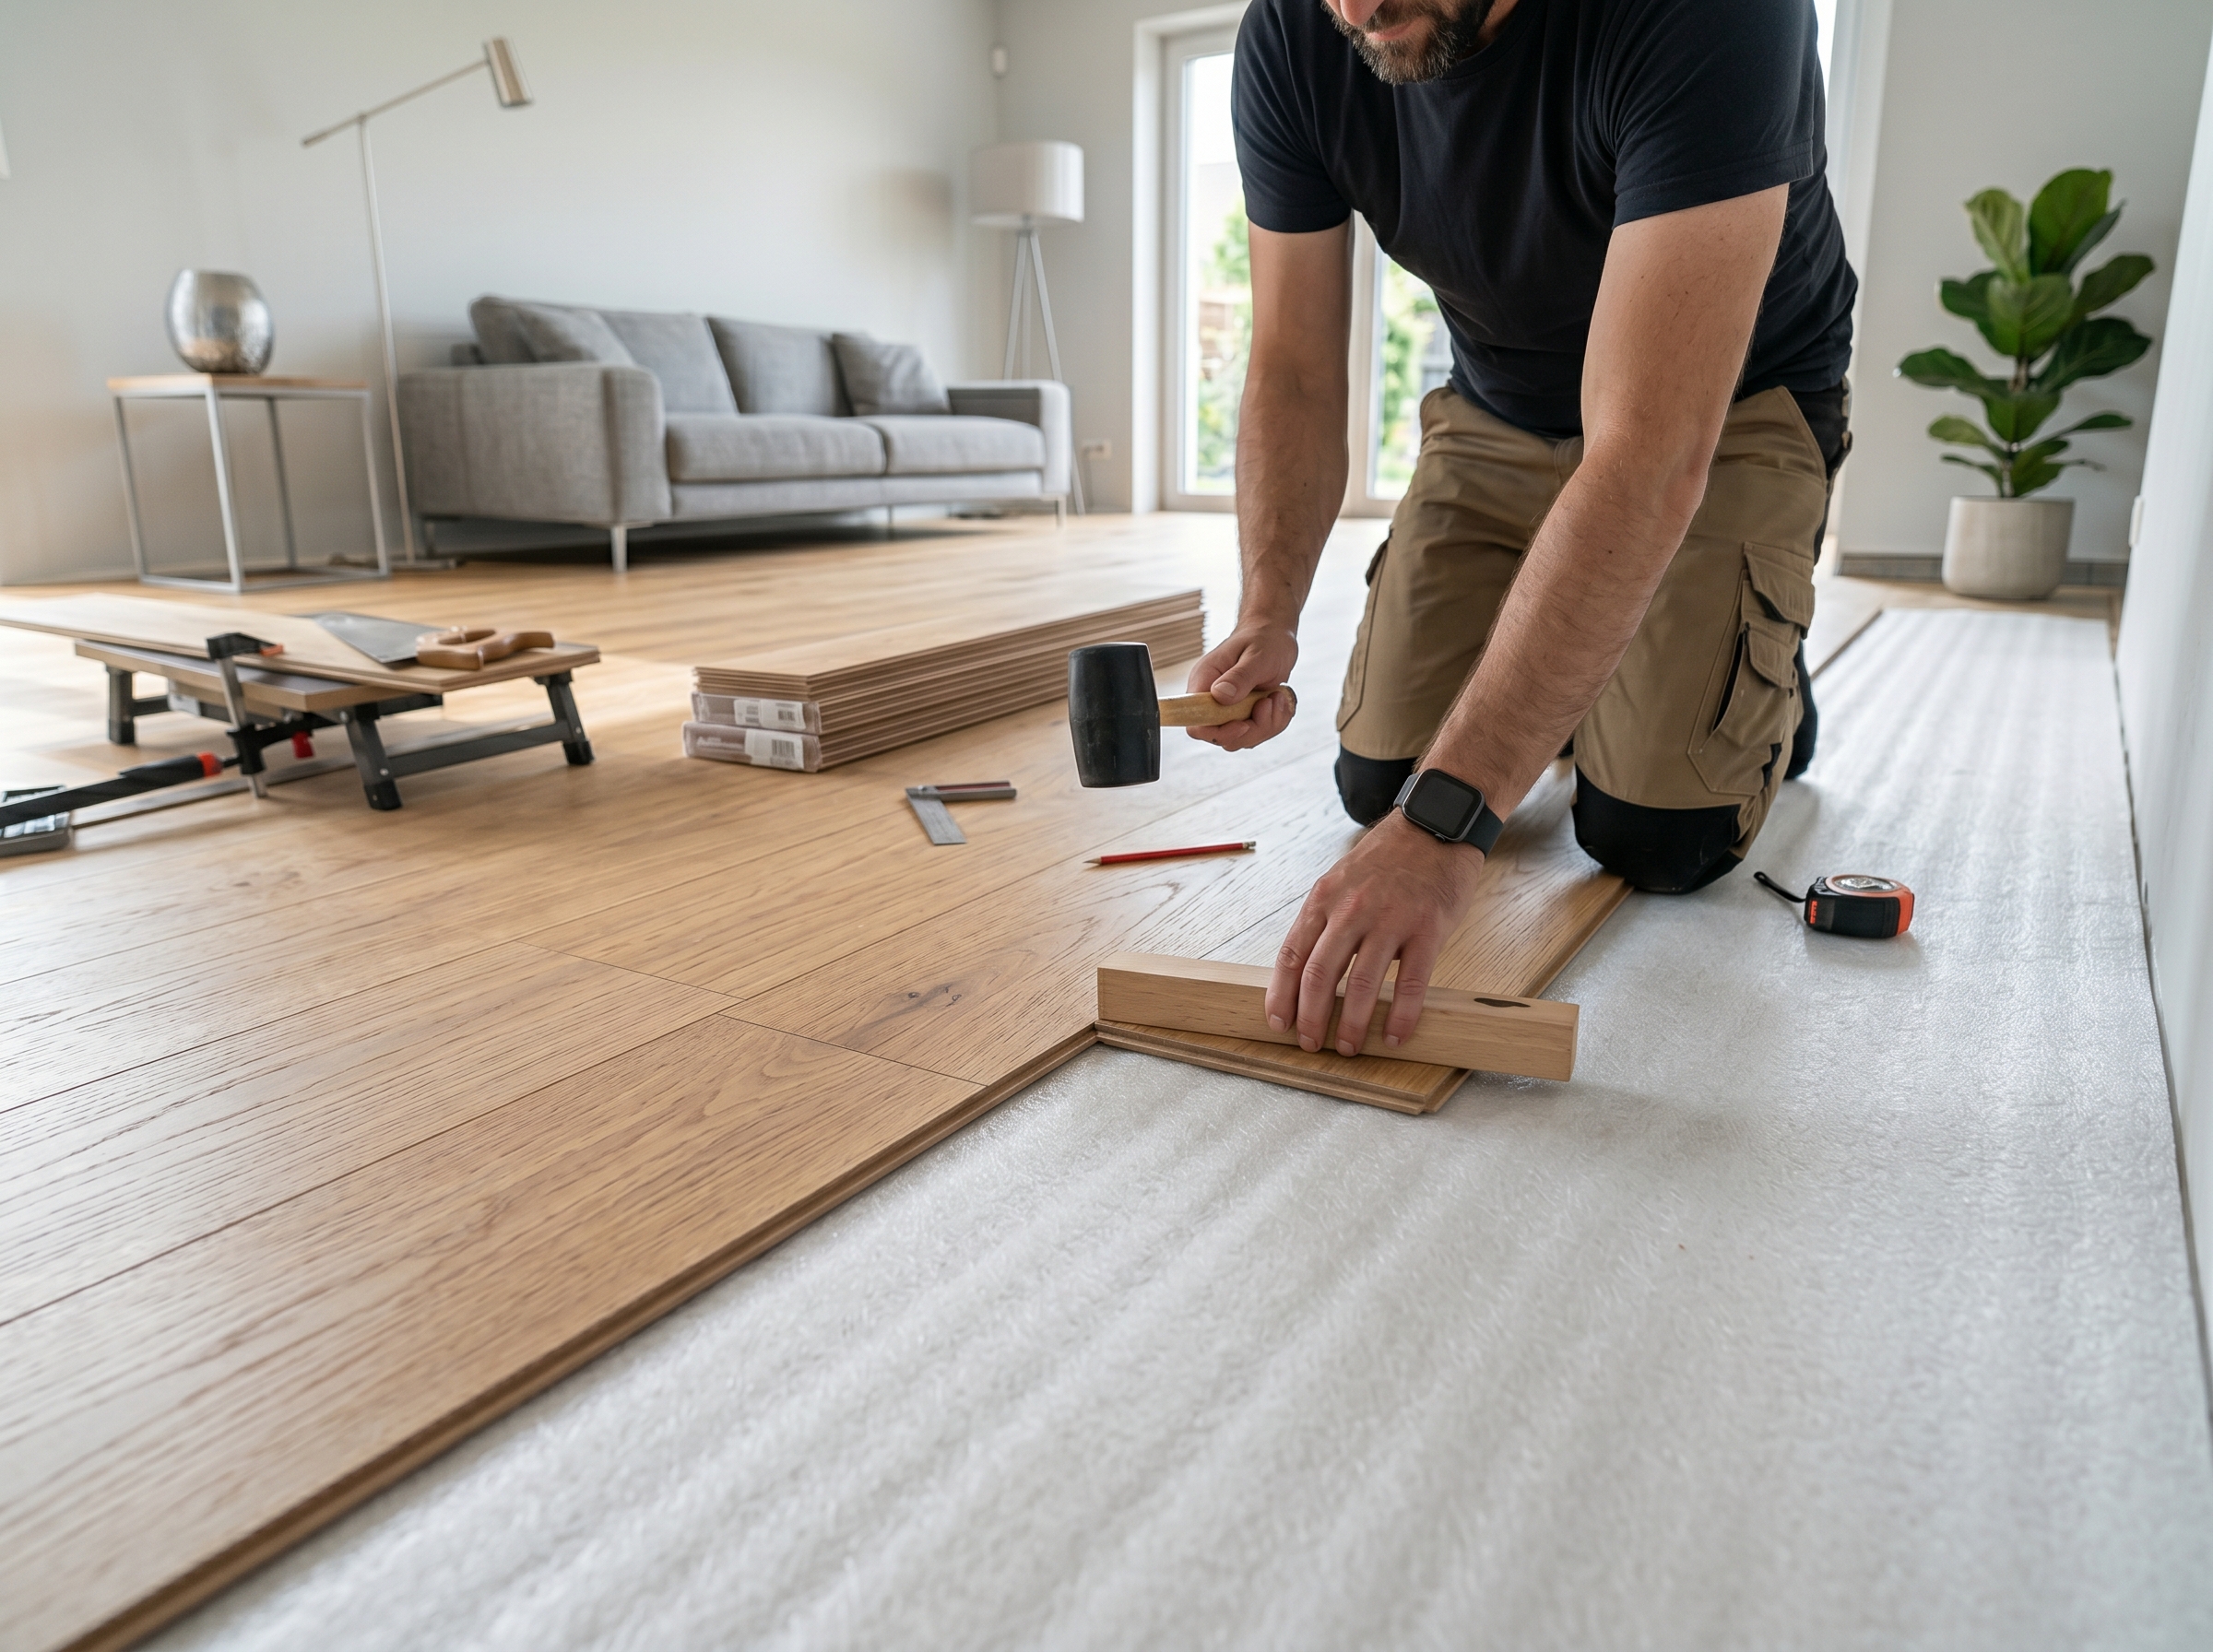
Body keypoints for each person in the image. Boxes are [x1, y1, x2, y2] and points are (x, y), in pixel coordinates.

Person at [1183, 0, 1856, 1059]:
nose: (1359, 10)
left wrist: (1447, 829)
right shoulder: (1295, 35)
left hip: (1724, 413)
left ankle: (1753, 662)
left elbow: (1646, 453)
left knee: (1657, 836)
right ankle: (1612, 647)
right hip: (1499, 407)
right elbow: (1296, 365)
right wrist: (1268, 608)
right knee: (1379, 782)